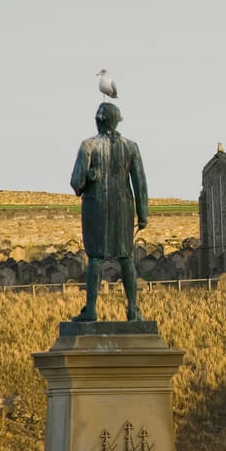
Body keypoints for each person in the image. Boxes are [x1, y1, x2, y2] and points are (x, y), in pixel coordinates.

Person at [70, 102, 148, 322]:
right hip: (123, 206)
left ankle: (91, 309)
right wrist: (143, 214)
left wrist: (90, 176)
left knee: (95, 257)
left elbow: (77, 183)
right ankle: (133, 309)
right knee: (126, 257)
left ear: (98, 121)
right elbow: (140, 182)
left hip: (96, 206)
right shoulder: (131, 147)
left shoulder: (88, 146)